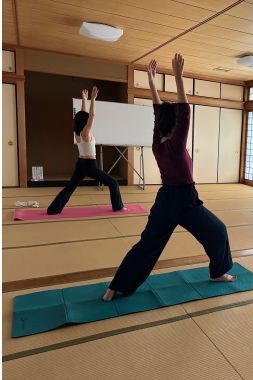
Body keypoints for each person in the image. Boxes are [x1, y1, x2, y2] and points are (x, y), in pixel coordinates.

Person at [103, 54, 236, 301]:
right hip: (185, 201)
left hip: (165, 201)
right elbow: (185, 113)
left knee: (147, 245)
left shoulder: (157, 143)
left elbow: (159, 112)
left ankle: (117, 286)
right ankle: (219, 273)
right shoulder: (175, 144)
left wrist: (153, 83)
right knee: (218, 231)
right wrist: (177, 78)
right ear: (174, 127)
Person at [47, 86, 124, 215]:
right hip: (89, 166)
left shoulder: (77, 132)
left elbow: (83, 115)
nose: (88, 119)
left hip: (80, 164)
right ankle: (118, 207)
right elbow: (91, 115)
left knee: (70, 187)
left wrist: (84, 100)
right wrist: (93, 99)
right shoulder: (86, 133)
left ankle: (53, 210)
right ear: (85, 121)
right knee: (113, 182)